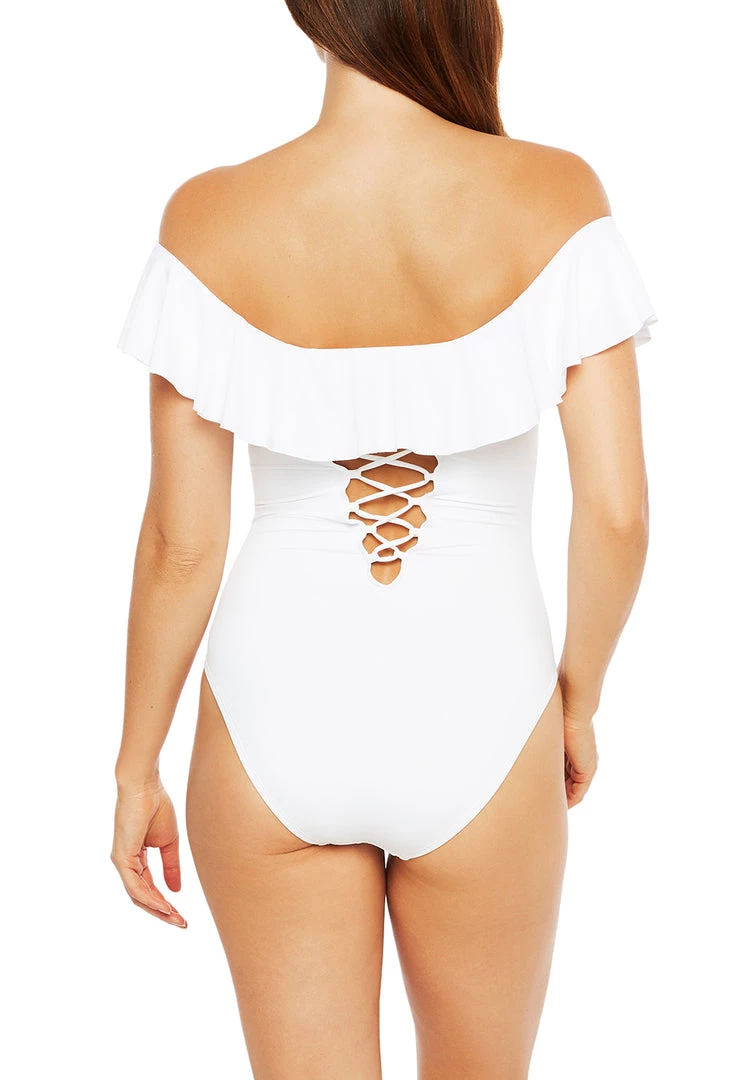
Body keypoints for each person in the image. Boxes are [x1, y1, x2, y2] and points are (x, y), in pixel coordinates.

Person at [110, 2, 656, 1076]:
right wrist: (577, 699)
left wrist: (136, 767)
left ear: (310, 14)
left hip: (271, 711)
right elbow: (617, 514)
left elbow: (182, 543)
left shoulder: (208, 215)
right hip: (482, 700)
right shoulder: (554, 195)